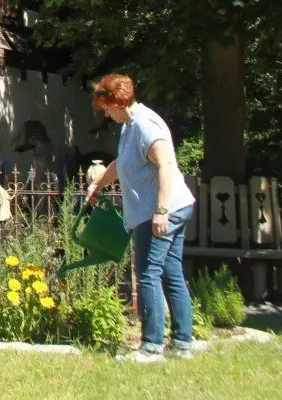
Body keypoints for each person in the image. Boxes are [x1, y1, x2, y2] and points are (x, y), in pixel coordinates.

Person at [84, 73, 197, 362]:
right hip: (168, 209)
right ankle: (183, 343)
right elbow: (122, 163)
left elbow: (166, 166)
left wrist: (160, 211)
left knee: (147, 274)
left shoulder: (145, 125)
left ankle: (151, 347)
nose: (107, 115)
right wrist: (99, 185)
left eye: (107, 109)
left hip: (160, 211)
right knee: (171, 272)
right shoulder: (129, 126)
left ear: (118, 103)